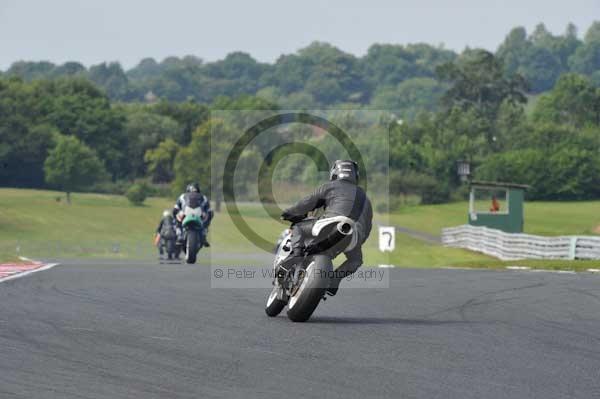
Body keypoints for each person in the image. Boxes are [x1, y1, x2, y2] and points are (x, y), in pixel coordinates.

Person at [281, 160, 373, 296]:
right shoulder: (365, 198)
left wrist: (289, 212)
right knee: (356, 260)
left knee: (299, 227)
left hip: (329, 224)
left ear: (335, 173)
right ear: (356, 176)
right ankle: (334, 281)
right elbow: (367, 227)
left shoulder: (330, 186)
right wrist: (357, 242)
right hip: (353, 233)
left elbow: (308, 202)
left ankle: (296, 254)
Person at [172, 183, 214, 247]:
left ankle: (179, 235)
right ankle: (204, 235)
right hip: (199, 214)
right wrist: (207, 218)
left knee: (176, 219)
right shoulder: (203, 197)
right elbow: (209, 210)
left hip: (185, 213)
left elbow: (175, 208)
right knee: (207, 218)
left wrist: (176, 215)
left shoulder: (182, 196)